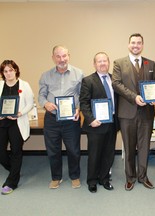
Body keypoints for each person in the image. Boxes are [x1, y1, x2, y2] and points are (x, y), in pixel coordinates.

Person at [112, 33, 155, 191]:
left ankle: (143, 177)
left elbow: (154, 84)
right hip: (127, 113)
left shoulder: (150, 63)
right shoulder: (119, 63)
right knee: (129, 147)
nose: (136, 45)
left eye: (139, 43)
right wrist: (134, 97)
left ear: (142, 45)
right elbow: (116, 84)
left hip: (147, 113)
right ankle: (130, 177)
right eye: (133, 42)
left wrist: (154, 97)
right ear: (128, 44)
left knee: (144, 147)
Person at [38, 45, 84, 189]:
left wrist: (79, 109)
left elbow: (83, 96)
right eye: (58, 56)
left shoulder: (79, 73)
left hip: (71, 119)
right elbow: (41, 95)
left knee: (74, 150)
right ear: (53, 58)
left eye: (64, 56)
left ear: (69, 56)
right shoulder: (45, 75)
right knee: (53, 150)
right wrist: (45, 104)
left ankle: (75, 176)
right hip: (52, 118)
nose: (61, 59)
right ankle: (56, 177)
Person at [80, 52, 119, 193]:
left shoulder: (114, 80)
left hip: (112, 122)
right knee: (94, 154)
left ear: (108, 63)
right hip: (96, 124)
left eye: (105, 61)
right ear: (94, 64)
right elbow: (83, 103)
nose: (102, 63)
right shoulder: (88, 80)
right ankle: (92, 181)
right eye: (99, 61)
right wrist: (91, 119)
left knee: (109, 153)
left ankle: (104, 179)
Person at [0, 60, 34, 195]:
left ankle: (12, 181)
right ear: (3, 73)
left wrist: (20, 113)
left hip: (17, 123)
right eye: (5, 71)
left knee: (16, 151)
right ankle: (14, 169)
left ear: (16, 70)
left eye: (11, 70)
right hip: (2, 123)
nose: (8, 73)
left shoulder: (24, 85)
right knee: (1, 152)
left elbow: (30, 103)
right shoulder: (0, 85)